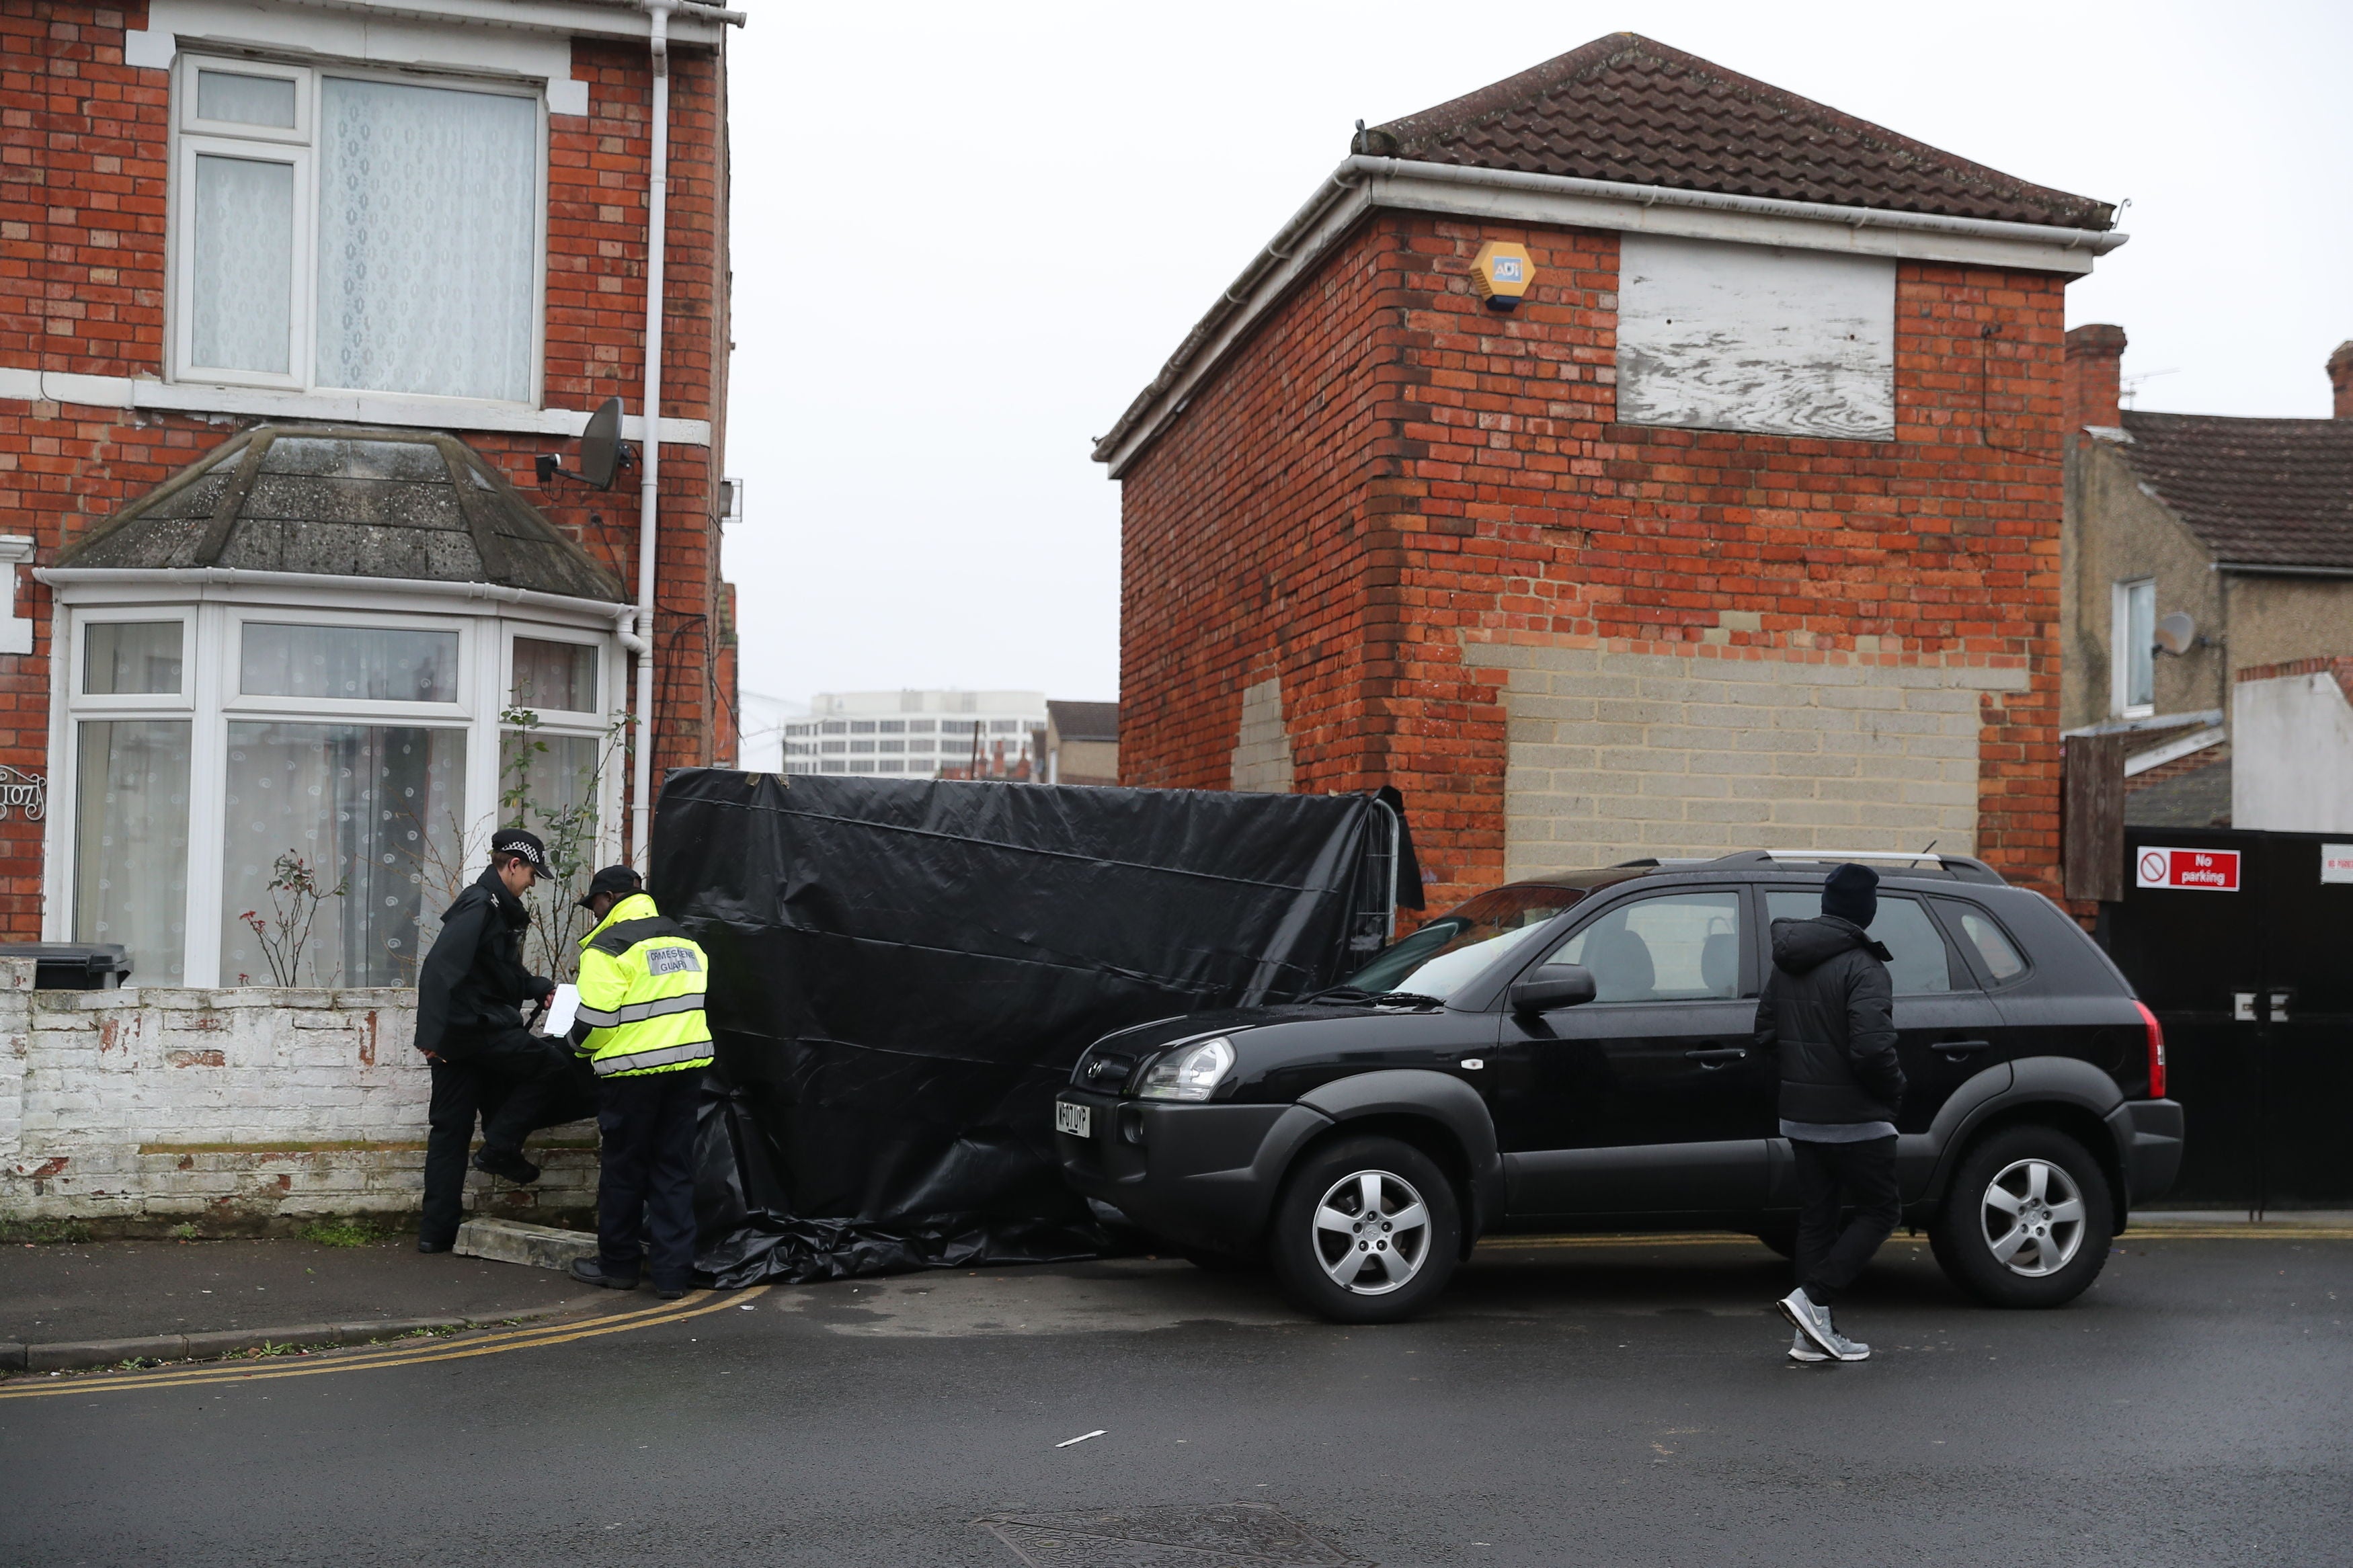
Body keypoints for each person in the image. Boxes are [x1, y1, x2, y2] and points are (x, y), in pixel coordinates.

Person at [1756, 861, 1905, 1364]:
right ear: (1867, 910)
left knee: (1817, 1218)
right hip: (1858, 1115)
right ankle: (1813, 1297)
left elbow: (1765, 1033)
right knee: (1882, 1210)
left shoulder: (1788, 960)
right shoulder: (1865, 966)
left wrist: (1803, 1080)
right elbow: (1872, 1049)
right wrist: (1894, 1092)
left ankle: (1809, 1337)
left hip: (1800, 1115)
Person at [563, 865, 715, 1301]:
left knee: (624, 1171)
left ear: (608, 898)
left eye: (594, 904)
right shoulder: (685, 939)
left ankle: (619, 1266)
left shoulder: (606, 947)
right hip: (687, 1071)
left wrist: (572, 1044)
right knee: (674, 1169)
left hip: (632, 1075)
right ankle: (672, 1275)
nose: (594, 913)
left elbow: (596, 1022)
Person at [413, 828, 568, 1253]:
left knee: (450, 1133)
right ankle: (500, 1148)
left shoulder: (496, 907)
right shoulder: (481, 905)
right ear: (513, 865)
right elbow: (439, 970)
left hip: (460, 1037)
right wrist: (429, 1036)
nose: (533, 883)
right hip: (473, 1032)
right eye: (532, 873)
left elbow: (496, 973)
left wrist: (539, 986)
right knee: (552, 1064)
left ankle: (436, 1234)